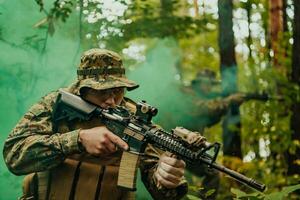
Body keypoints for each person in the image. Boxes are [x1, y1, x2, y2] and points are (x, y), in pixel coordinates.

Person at [3, 49, 189, 200]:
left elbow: (159, 186)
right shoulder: (56, 104)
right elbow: (14, 155)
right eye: (102, 92)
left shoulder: (134, 120)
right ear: (82, 88)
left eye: (117, 91)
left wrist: (165, 179)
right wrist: (78, 139)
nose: (111, 101)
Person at [184, 69, 245, 200]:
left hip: (188, 146)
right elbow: (203, 109)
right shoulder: (187, 93)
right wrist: (228, 101)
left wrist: (227, 105)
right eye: (208, 83)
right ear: (200, 83)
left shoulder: (200, 97)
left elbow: (209, 119)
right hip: (171, 142)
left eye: (211, 84)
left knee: (212, 171)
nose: (210, 87)